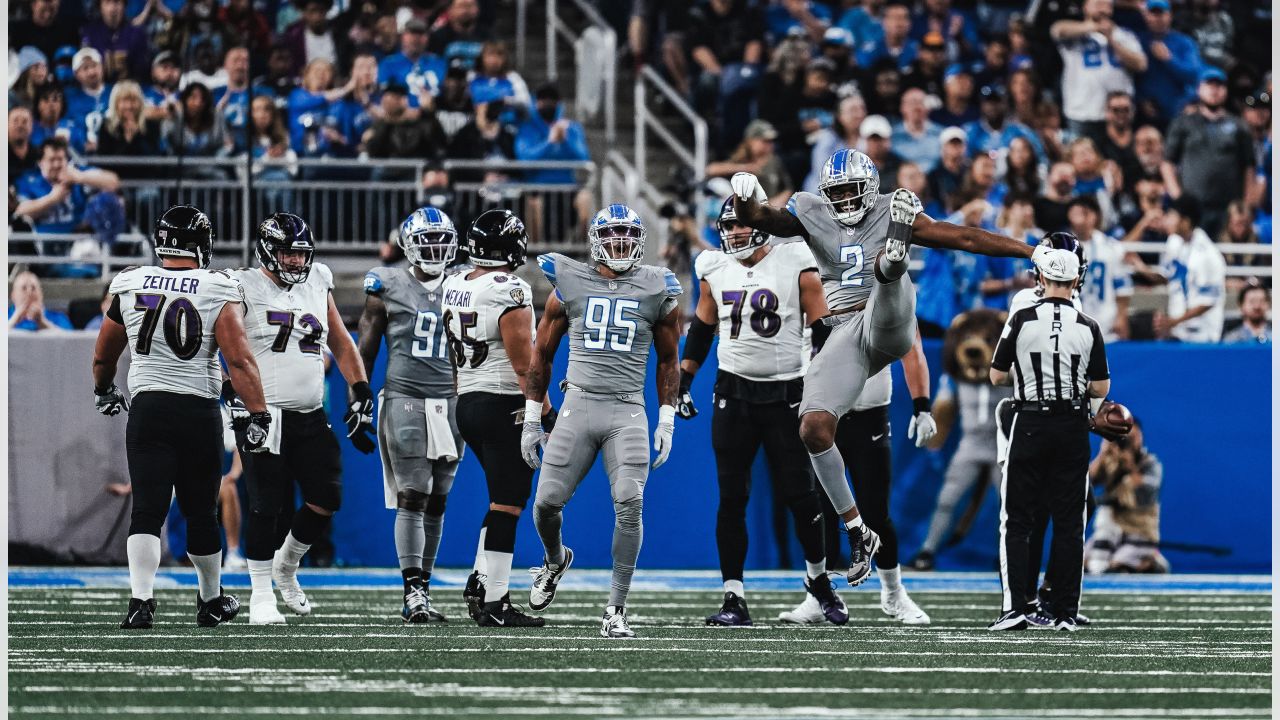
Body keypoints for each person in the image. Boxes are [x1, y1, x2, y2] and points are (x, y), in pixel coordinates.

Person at [729, 148, 1046, 590]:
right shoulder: (810, 210)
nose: (843, 202)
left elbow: (965, 238)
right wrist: (744, 201)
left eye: (850, 191)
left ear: (870, 187)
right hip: (844, 330)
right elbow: (762, 219)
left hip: (890, 317)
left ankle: (893, 258)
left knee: (889, 274)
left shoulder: (890, 206)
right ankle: (859, 531)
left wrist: (1030, 251)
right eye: (835, 194)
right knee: (813, 429)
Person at [91, 204, 271, 629]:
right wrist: (258, 412)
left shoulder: (132, 282)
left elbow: (103, 354)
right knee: (201, 510)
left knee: (147, 510)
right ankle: (210, 600)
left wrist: (103, 390)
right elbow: (240, 361)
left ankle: (141, 600)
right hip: (197, 410)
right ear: (201, 246)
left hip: (149, 408)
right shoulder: (216, 287)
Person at [677, 197, 844, 627]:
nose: (733, 233)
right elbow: (702, 325)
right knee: (732, 498)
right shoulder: (713, 266)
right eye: (727, 226)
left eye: (740, 225)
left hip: (787, 392)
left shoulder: (794, 257)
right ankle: (734, 597)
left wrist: (823, 387)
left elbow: (821, 327)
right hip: (733, 392)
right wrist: (683, 381)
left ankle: (819, 583)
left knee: (800, 493)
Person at [523, 204, 683, 639]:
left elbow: (669, 360)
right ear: (595, 241)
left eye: (628, 236)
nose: (620, 244)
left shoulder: (656, 287)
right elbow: (541, 353)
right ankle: (555, 560)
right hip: (577, 403)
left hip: (627, 408)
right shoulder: (569, 283)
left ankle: (616, 608)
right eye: (611, 235)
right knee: (545, 504)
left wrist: (666, 416)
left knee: (630, 501)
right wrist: (532, 418)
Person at [225, 213, 373, 625]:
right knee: (265, 504)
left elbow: (340, 339)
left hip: (310, 411)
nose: (295, 261)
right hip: (263, 412)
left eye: (301, 253)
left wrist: (359, 390)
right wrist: (226, 385)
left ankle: (285, 567)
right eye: (288, 253)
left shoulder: (317, 280)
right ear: (268, 251)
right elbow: (221, 340)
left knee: (328, 497)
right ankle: (260, 595)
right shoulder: (241, 285)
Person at [988, 236, 1112, 631]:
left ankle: (1037, 601)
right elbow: (1099, 385)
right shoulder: (1071, 318)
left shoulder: (1028, 314)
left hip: (1032, 417)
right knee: (1056, 515)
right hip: (1061, 420)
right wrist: (1090, 411)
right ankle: (1048, 603)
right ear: (1076, 277)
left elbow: (998, 373)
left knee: (1029, 514)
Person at [440, 209, 548, 628]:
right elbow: (524, 367)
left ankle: (480, 579)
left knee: (500, 500)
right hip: (504, 402)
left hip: (467, 400)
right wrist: (544, 412)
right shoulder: (510, 289)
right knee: (509, 504)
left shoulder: (455, 282)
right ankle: (496, 601)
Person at [358, 208, 464, 623]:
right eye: (427, 241)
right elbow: (365, 344)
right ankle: (412, 591)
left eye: (442, 241)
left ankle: (425, 585)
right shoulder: (387, 282)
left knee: (438, 498)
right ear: (408, 246)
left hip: (453, 400)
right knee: (413, 492)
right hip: (406, 397)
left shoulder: (463, 283)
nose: (436, 249)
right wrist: (358, 395)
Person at [829, 330, 935, 624]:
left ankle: (893, 592)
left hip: (869, 414)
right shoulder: (816, 285)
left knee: (876, 511)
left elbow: (911, 346)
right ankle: (819, 593)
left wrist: (922, 406)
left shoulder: (887, 294)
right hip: (823, 413)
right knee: (820, 510)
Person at [1161, 67, 1255, 237]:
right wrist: (1179, 198)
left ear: (1225, 91)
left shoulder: (1239, 126)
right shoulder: (1183, 123)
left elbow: (1249, 167)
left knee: (1226, 257)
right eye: (1209, 85)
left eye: (1219, 85)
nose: (1214, 90)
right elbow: (1167, 163)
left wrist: (1246, 205)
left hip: (1228, 208)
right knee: (1193, 254)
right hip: (1194, 207)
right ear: (1199, 89)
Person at [1050, 0, 1147, 143]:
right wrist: (1092, 27)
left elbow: (1141, 64)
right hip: (1082, 112)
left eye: (1106, 4)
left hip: (1118, 113)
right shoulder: (1075, 33)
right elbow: (1057, 30)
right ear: (1085, 6)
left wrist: (1112, 41)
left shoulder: (1124, 34)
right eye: (1098, 3)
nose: (1102, 8)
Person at [1085, 419, 1168, 574]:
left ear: (1140, 438)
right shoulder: (1111, 460)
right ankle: (1139, 561)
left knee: (1119, 566)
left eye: (1132, 437)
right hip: (1113, 529)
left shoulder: (1150, 464)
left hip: (1139, 530)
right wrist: (1103, 454)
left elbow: (1147, 492)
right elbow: (1088, 481)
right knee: (1087, 562)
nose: (1127, 442)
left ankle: (1152, 561)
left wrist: (1130, 466)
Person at [1155, 195, 1226, 343]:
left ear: (1185, 221)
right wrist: (1139, 267)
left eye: (1171, 216)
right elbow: (1167, 276)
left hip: (1203, 335)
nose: (1167, 219)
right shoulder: (1174, 243)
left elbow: (1208, 301)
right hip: (1178, 331)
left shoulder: (1208, 255)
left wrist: (1174, 321)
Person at [14, 137, 121, 234]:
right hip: (42, 243)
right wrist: (52, 199)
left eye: (60, 159)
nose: (56, 165)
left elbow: (113, 182)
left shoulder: (77, 174)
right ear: (40, 163)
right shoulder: (29, 181)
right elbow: (21, 212)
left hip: (78, 240)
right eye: (51, 160)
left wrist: (80, 178)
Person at [1067, 194, 1132, 341]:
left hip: (1105, 323)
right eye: (1074, 213)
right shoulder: (1061, 247)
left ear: (1093, 216)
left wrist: (1121, 317)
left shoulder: (1111, 247)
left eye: (1083, 213)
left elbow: (1122, 287)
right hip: (1070, 325)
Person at [1135, 0, 1201, 125]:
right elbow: (1131, 76)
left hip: (1177, 113)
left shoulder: (1184, 42)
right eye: (1153, 14)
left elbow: (1193, 75)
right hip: (1146, 114)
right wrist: (1140, 99)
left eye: (1161, 14)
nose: (1157, 18)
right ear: (1146, 16)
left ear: (1169, 16)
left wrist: (1169, 59)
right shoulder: (1137, 41)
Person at [706, 119, 791, 206]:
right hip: (740, 211)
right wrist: (746, 168)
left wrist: (769, 206)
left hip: (767, 211)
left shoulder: (775, 162)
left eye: (771, 141)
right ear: (751, 141)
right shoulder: (741, 159)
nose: (770, 145)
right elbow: (710, 170)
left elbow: (787, 190)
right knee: (717, 184)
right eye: (765, 141)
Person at [81, 0, 150, 83]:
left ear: (124, 6)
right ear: (100, 6)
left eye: (117, 2)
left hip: (129, 89)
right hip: (99, 90)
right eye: (107, 2)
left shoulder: (137, 33)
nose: (112, 9)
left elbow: (142, 72)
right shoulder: (90, 33)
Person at [428, 0, 491, 69]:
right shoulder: (437, 37)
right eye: (461, 6)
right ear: (450, 10)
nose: (466, 11)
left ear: (477, 9)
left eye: (470, 6)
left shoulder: (488, 36)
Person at [892, 88, 943, 171]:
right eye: (912, 103)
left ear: (928, 108)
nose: (916, 107)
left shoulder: (941, 133)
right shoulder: (893, 136)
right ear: (902, 108)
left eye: (921, 102)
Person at [8, 269, 73, 331]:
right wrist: (15, 319)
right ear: (13, 295)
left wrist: (42, 322)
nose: (29, 293)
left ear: (41, 294)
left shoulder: (59, 317)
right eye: (24, 288)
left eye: (33, 288)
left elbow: (72, 340)